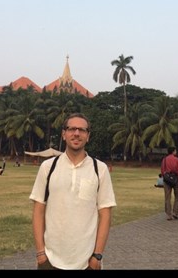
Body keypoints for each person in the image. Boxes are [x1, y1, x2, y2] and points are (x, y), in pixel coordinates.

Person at [30, 113, 116, 270]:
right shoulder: (48, 167)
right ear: (64, 134)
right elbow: (38, 210)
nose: (76, 133)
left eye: (82, 130)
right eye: (72, 129)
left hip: (87, 261)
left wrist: (97, 255)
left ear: (88, 136)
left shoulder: (99, 169)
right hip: (51, 259)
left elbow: (105, 214)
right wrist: (41, 253)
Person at [161, 147, 178, 221]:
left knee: (167, 197)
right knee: (177, 197)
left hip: (167, 179)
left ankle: (168, 214)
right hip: (175, 178)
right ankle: (175, 213)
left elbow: (162, 170)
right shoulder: (177, 159)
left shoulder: (165, 159)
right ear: (173, 151)